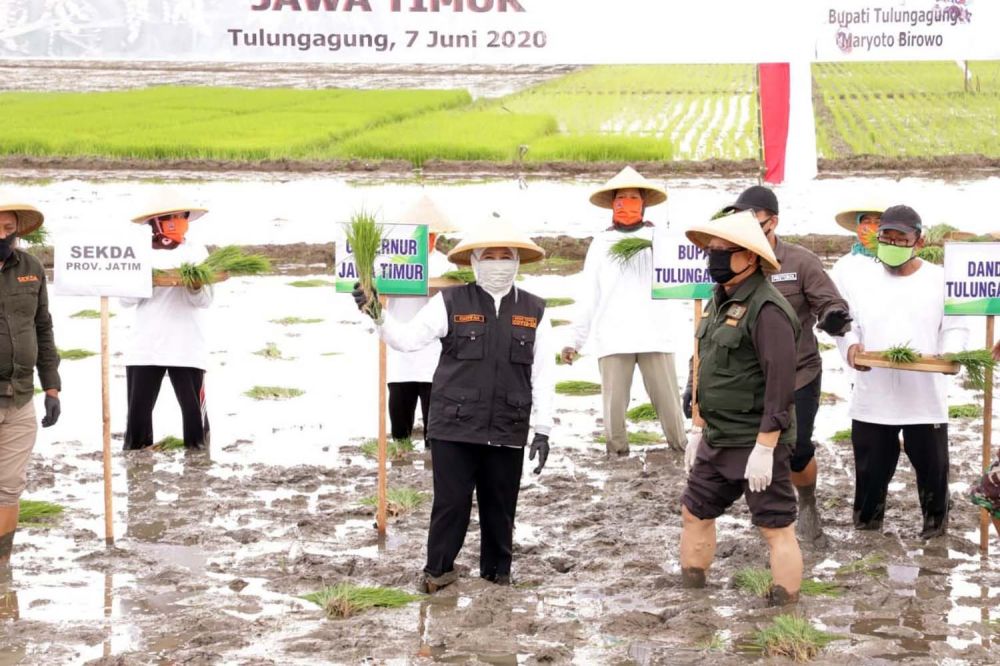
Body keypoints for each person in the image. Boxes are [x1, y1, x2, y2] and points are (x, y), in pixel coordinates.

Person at [353, 216, 555, 592]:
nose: (498, 263)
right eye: (489, 256)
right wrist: (376, 314)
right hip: (454, 425)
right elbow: (407, 340)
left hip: (508, 427)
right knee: (451, 504)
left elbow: (543, 375)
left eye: (505, 256)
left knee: (501, 507)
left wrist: (543, 429)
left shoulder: (535, 311)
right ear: (475, 261)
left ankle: (497, 577)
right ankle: (438, 573)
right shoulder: (448, 302)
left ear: (516, 261)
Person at [710, 186, 852, 546]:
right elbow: (712, 326)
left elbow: (829, 301)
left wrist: (834, 316)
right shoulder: (730, 260)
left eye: (753, 220)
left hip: (797, 375)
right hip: (747, 380)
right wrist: (694, 386)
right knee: (756, 448)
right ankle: (774, 520)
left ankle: (806, 503)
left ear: (772, 221)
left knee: (797, 449)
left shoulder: (800, 262)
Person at [680, 210, 802, 606]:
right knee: (695, 513)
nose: (714, 257)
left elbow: (781, 384)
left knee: (775, 527)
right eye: (710, 251)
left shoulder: (768, 310)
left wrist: (766, 446)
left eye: (723, 250)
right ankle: (694, 597)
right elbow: (706, 367)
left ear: (750, 257)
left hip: (755, 442)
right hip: (717, 437)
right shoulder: (718, 302)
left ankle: (785, 607)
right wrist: (697, 429)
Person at [836, 205, 969, 538]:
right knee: (870, 470)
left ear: (918, 242)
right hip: (873, 391)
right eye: (886, 238)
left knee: (933, 470)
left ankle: (935, 530)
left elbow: (956, 325)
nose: (892, 245)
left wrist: (951, 355)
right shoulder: (860, 278)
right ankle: (867, 528)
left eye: (900, 239)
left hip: (924, 394)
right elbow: (843, 323)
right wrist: (851, 348)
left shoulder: (939, 279)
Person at [561, 166, 686, 456]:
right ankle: (617, 457)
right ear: (613, 204)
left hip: (655, 335)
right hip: (613, 336)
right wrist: (574, 340)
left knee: (669, 404)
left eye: (633, 198)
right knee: (614, 411)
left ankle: (682, 451)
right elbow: (589, 295)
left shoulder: (662, 239)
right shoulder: (601, 243)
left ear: (643, 203)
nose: (627, 203)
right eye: (622, 198)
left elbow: (685, 282)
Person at [120, 189, 212, 451]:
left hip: (187, 348)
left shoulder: (196, 252)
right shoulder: (138, 254)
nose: (178, 221)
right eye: (171, 217)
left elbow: (204, 301)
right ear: (156, 222)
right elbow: (124, 301)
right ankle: (137, 475)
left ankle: (198, 472)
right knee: (137, 423)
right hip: (145, 349)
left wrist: (193, 284)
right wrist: (144, 281)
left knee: (196, 425)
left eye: (182, 216)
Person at [0, 195, 61, 570]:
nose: (3, 235)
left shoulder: (32, 268)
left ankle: (2, 567)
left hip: (20, 397)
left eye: (9, 229)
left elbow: (43, 326)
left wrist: (51, 386)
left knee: (8, 487)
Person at [385, 196, 458, 444]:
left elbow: (454, 302)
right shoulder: (393, 262)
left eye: (429, 234)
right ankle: (400, 462)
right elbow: (379, 300)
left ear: (436, 237)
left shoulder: (447, 265)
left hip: (434, 358)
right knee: (400, 427)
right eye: (419, 233)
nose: (424, 238)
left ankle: (432, 464)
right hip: (399, 357)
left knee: (435, 429)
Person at [830, 205, 884, 280]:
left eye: (878, 222)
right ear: (859, 226)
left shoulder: (897, 262)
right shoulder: (844, 265)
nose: (872, 227)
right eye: (866, 221)